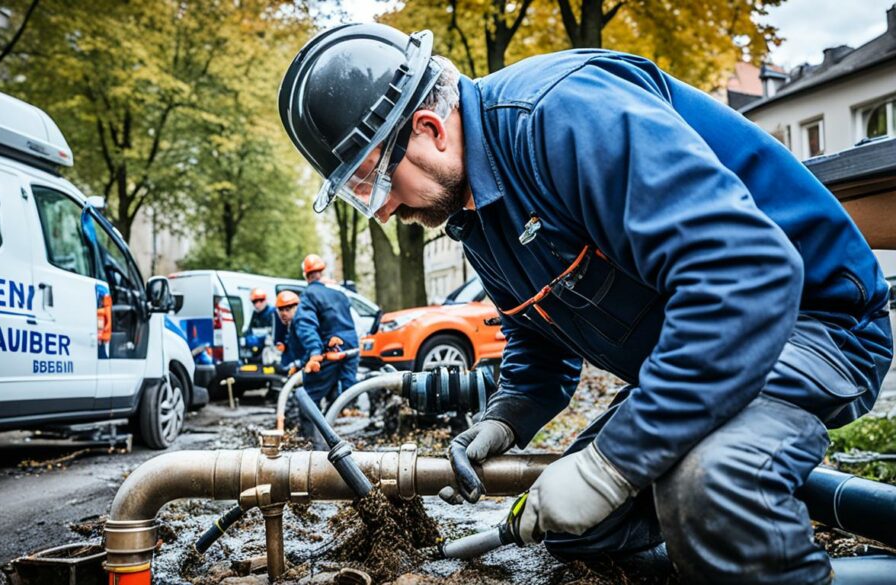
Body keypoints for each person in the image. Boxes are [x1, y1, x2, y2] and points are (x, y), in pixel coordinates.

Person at [278, 23, 893, 584]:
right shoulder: (474, 216)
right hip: (702, 352)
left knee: (706, 483)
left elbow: (746, 275)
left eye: (372, 182)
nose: (382, 210)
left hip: (812, 324)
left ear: (430, 130)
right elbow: (537, 342)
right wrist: (506, 417)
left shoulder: (561, 115)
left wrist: (614, 463)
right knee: (578, 525)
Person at [293, 254, 360, 411]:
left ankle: (310, 432)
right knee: (348, 389)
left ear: (306, 275)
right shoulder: (339, 293)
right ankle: (347, 416)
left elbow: (306, 325)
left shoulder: (309, 294)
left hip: (333, 348)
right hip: (352, 345)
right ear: (321, 272)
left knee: (312, 393)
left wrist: (315, 351)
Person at [273, 290, 302, 370]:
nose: (284, 313)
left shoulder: (303, 327)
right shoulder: (286, 326)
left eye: (287, 309)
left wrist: (298, 364)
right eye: (281, 310)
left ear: (296, 308)